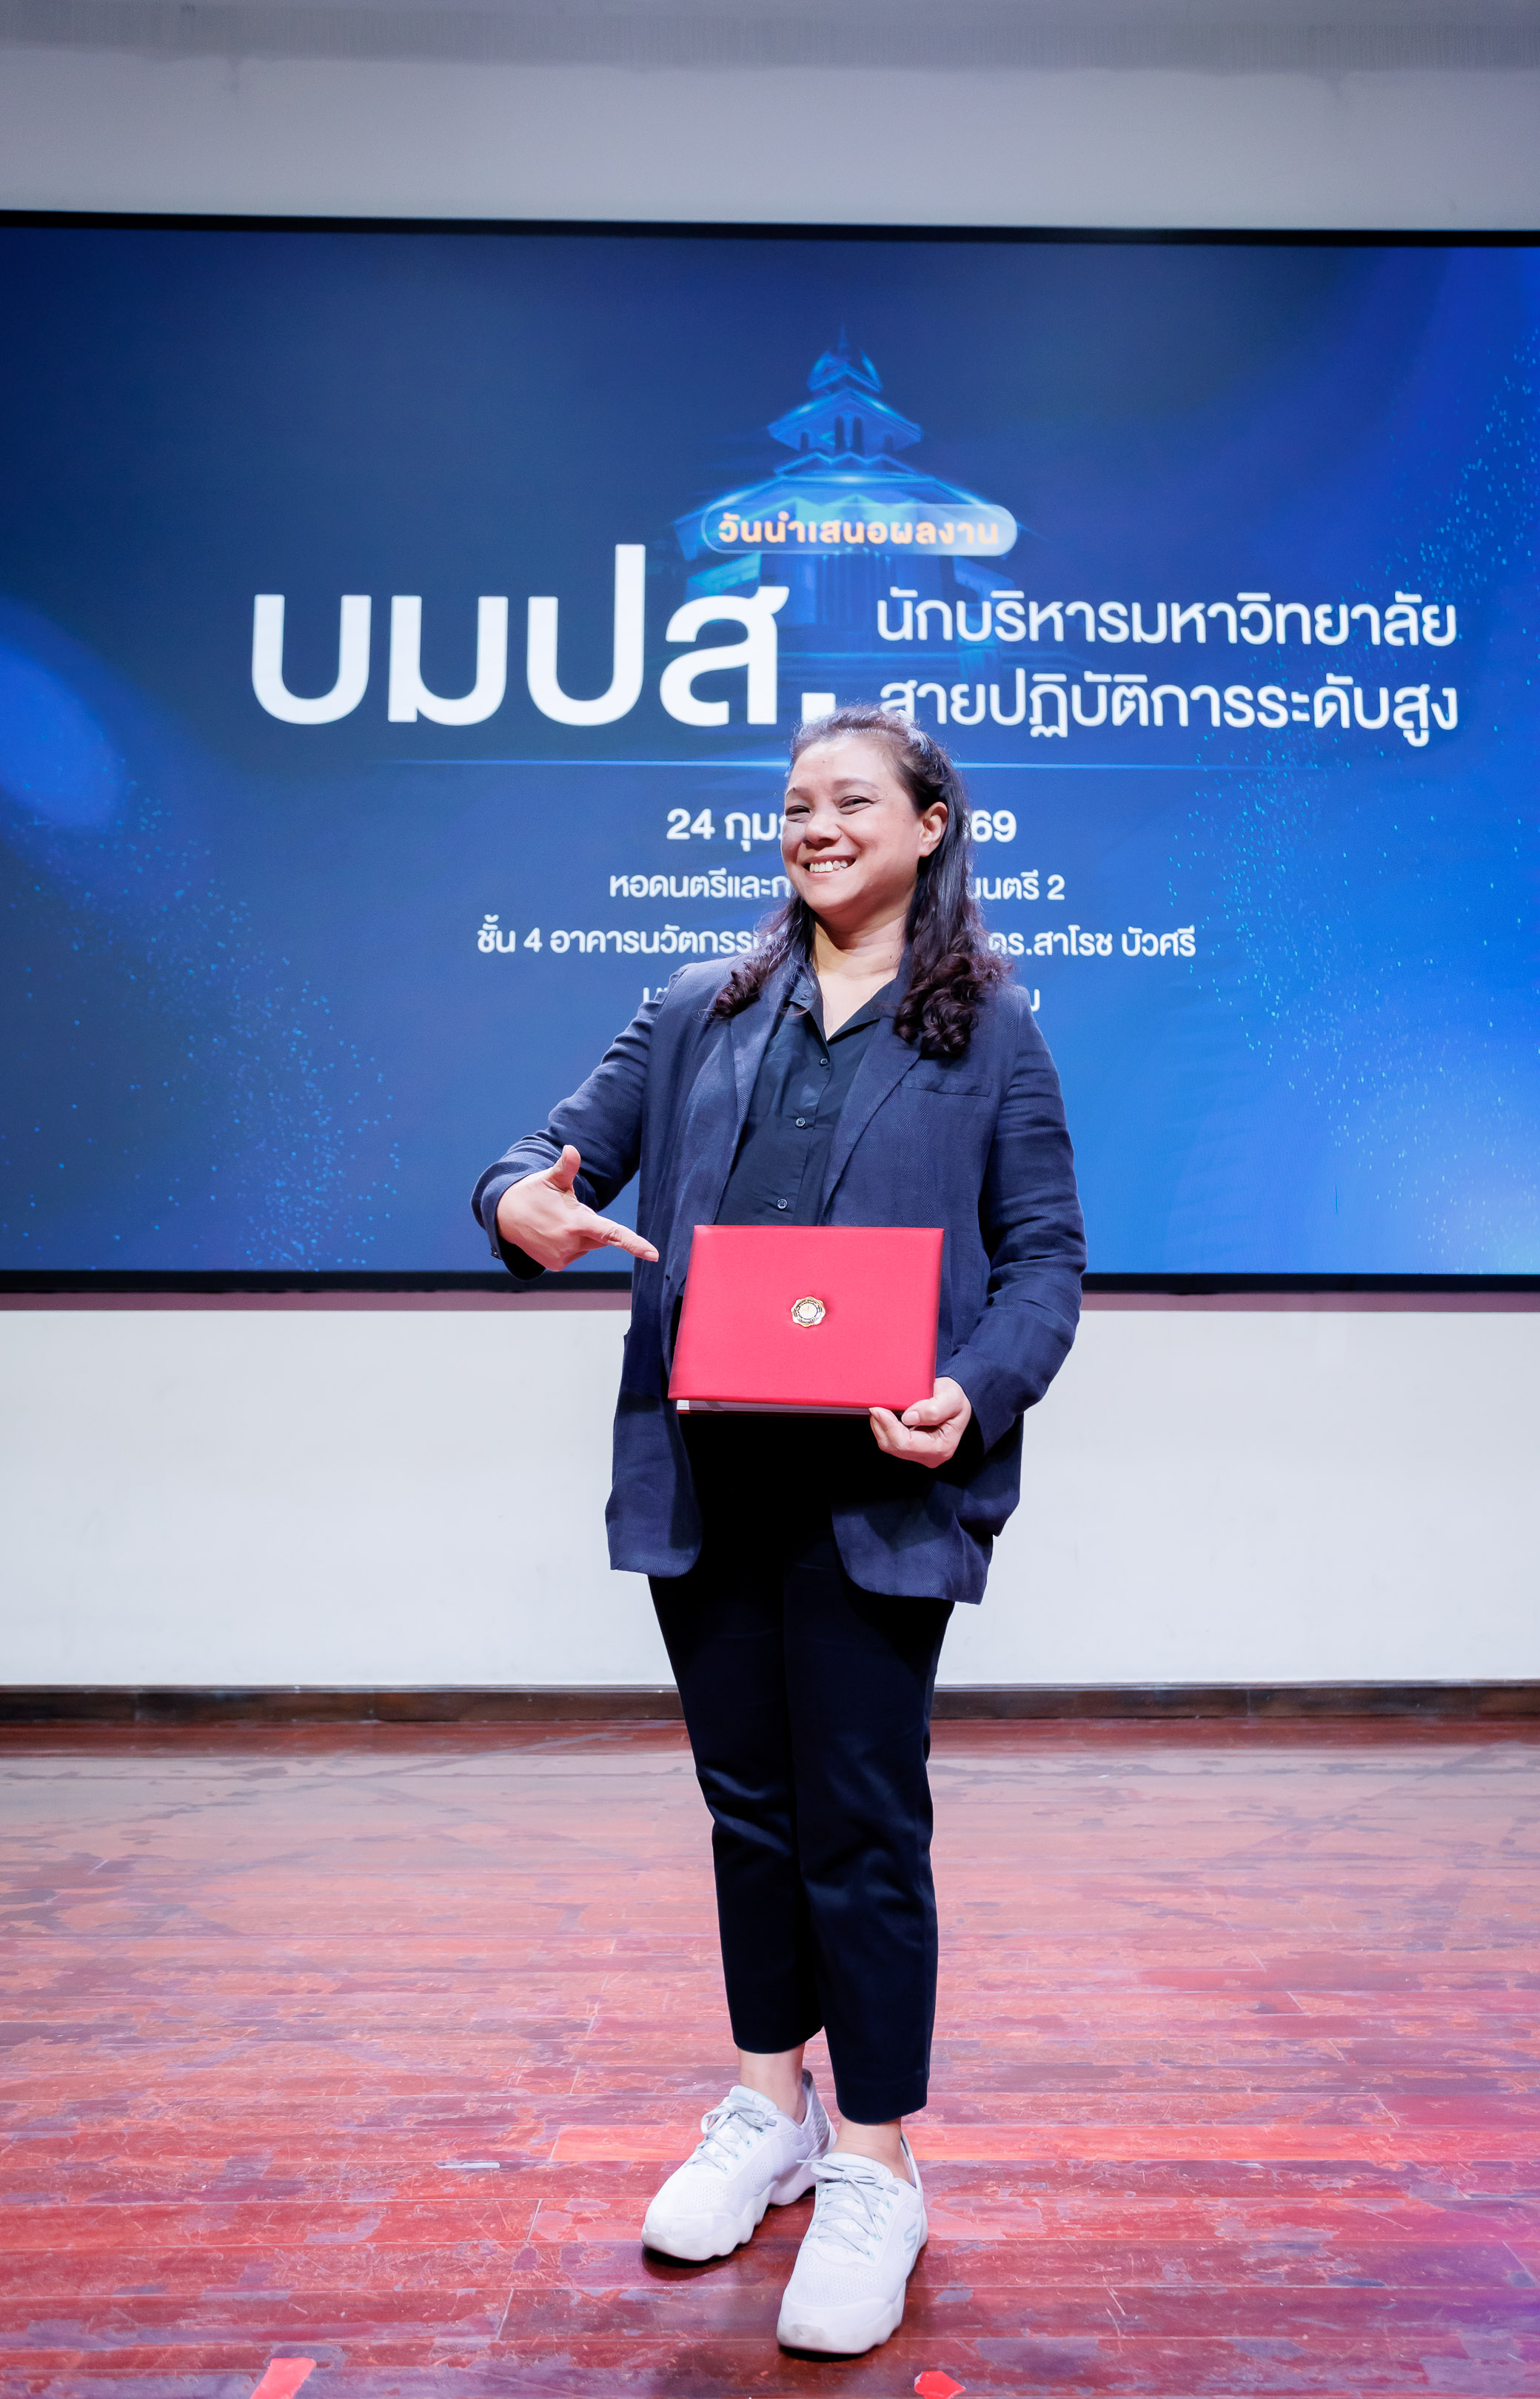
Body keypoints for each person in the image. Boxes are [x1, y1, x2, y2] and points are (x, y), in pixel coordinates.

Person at [472, 703, 1085, 2357]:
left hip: (880, 1487)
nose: (815, 825)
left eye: (851, 801)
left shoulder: (994, 1033)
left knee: (862, 1823)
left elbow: (1045, 1263)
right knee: (749, 1811)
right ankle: (772, 2106)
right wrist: (522, 1202)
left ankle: (876, 2161)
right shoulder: (697, 1009)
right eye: (798, 802)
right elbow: (538, 1163)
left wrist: (972, 1388)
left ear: (932, 825)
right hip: (712, 1478)